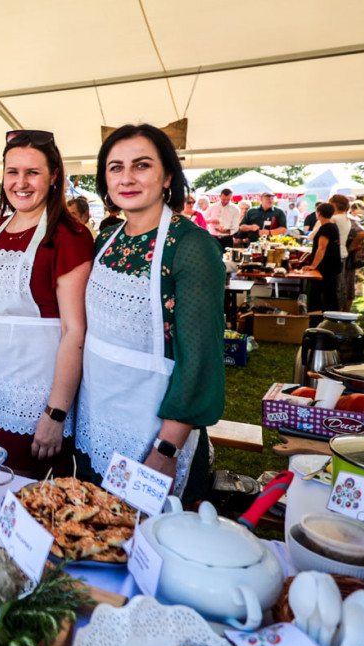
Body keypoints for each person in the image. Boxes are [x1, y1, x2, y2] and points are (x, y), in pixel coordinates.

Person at [77, 123, 225, 501]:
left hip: (155, 434)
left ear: (167, 176)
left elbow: (200, 359)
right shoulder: (106, 240)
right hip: (97, 416)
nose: (127, 178)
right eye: (115, 167)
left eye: (141, 165)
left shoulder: (191, 246)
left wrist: (167, 450)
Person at [0, 130, 93, 478]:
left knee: (23, 496)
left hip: (36, 398)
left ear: (54, 176)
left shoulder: (69, 235)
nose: (20, 182)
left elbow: (75, 331)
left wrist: (55, 414)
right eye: (13, 171)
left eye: (32, 172)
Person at [301, 202, 341, 312]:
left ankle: (317, 316)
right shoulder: (333, 226)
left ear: (319, 214)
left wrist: (313, 265)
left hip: (326, 266)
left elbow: (321, 248)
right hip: (334, 265)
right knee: (330, 294)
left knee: (318, 294)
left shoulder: (326, 228)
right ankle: (332, 316)